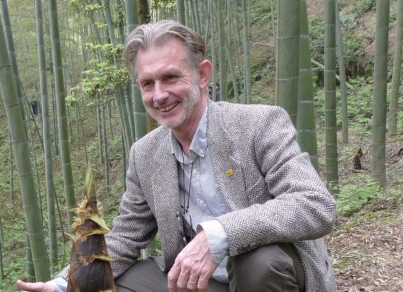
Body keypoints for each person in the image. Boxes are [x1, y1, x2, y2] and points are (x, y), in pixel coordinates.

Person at [17, 20, 336, 292]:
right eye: (147, 83)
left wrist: (220, 234)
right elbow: (126, 238)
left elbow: (315, 204)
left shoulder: (258, 124)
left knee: (258, 261)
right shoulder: (145, 154)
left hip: (267, 278)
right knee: (119, 281)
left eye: (170, 77)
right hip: (199, 281)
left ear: (202, 75)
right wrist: (66, 282)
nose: (159, 95)